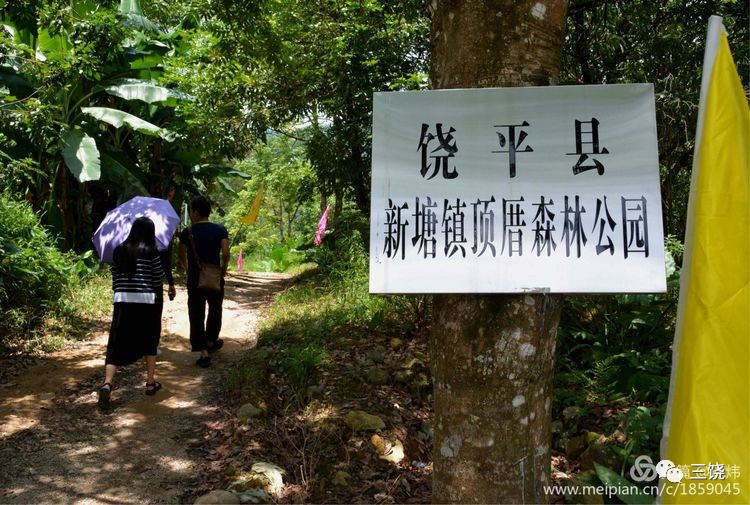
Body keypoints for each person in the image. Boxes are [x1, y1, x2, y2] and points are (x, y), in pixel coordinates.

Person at [98, 217, 166, 410]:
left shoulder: (119, 250)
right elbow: (157, 278)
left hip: (121, 301)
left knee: (116, 344)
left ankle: (107, 384)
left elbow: (115, 278)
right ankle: (151, 383)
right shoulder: (151, 252)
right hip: (145, 302)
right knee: (149, 341)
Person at [178, 196, 230, 368]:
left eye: (192, 211)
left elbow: (182, 255)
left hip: (195, 278)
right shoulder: (220, 229)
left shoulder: (188, 232)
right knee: (215, 309)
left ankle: (203, 352)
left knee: (196, 313)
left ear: (196, 213)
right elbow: (226, 252)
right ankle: (210, 340)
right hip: (215, 276)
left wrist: (187, 269)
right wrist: (223, 269)